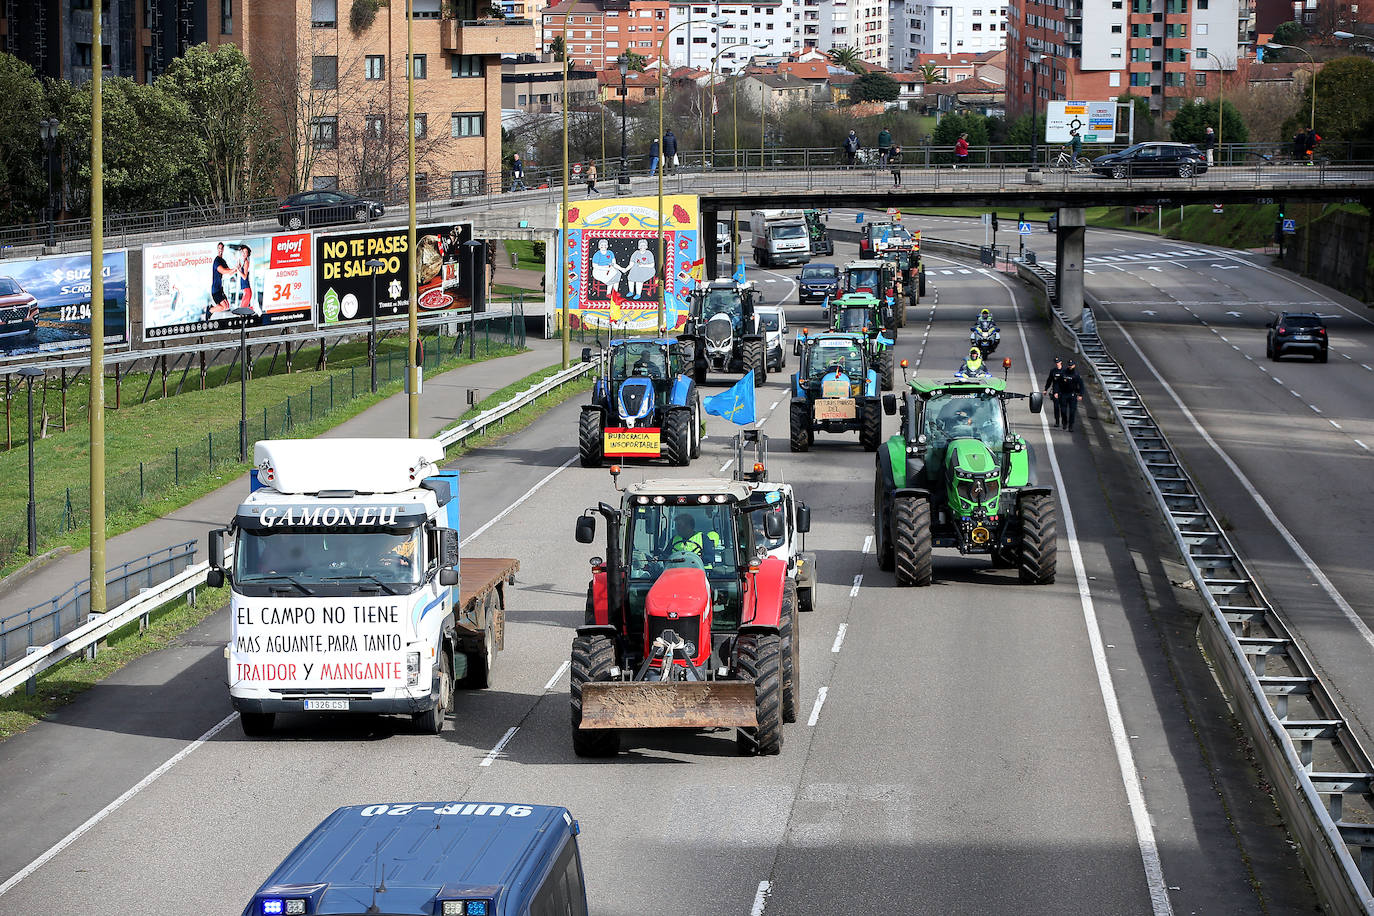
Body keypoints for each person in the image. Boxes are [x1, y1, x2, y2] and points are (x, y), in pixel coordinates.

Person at [1055, 357, 1084, 431]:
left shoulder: (1076, 375)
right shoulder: (1063, 373)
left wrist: (1080, 394)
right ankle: (1064, 422)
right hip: (1063, 394)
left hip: (1072, 395)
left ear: (1074, 366)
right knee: (1063, 411)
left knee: (1072, 412)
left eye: (1071, 365)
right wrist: (1056, 392)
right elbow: (1058, 383)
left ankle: (1071, 426)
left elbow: (1081, 385)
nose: (1070, 366)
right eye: (1069, 365)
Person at [208, 242, 234, 319]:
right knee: (224, 306)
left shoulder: (222, 261)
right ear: (217, 249)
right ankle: (210, 310)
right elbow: (223, 271)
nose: (220, 250)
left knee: (227, 306)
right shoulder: (217, 261)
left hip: (220, 288)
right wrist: (233, 270)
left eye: (221, 248)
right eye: (219, 248)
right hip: (215, 289)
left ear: (223, 249)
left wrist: (237, 269)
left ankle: (212, 308)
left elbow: (229, 272)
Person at [1043, 355, 1065, 428]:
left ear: (1061, 362)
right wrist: (1046, 389)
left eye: (1058, 362)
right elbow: (1049, 381)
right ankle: (1057, 422)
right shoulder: (1053, 371)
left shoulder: (1065, 371)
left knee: (1063, 408)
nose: (1057, 363)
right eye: (1056, 362)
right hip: (1055, 392)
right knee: (1056, 408)